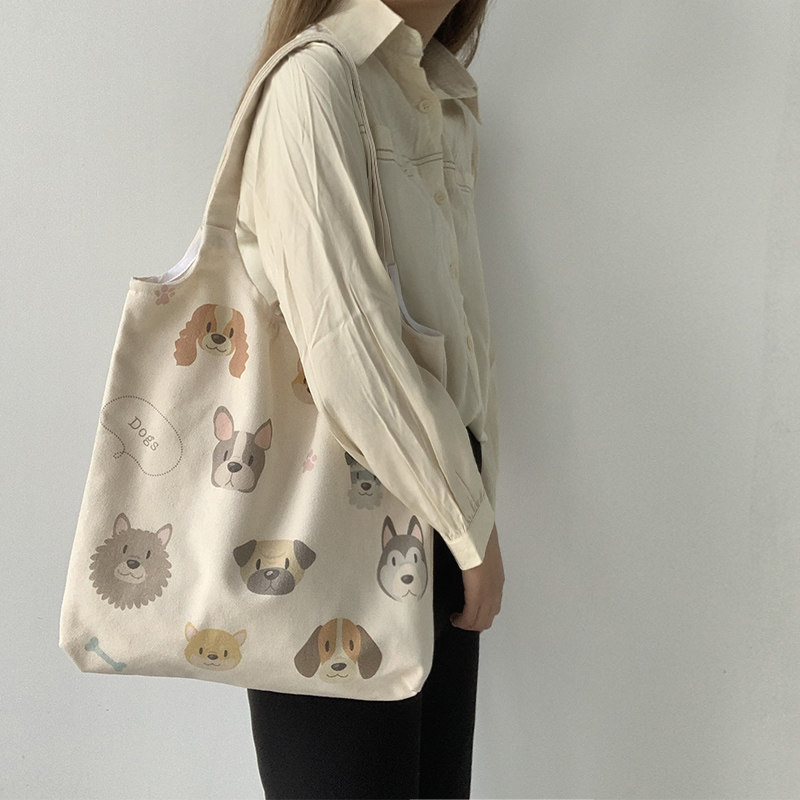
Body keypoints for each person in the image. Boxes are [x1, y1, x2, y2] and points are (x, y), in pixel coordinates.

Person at [234, 0, 504, 796]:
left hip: (439, 512)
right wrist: (470, 522)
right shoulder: (314, 81)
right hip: (331, 531)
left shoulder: (438, 92)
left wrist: (469, 515)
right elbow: (347, 348)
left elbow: (459, 340)